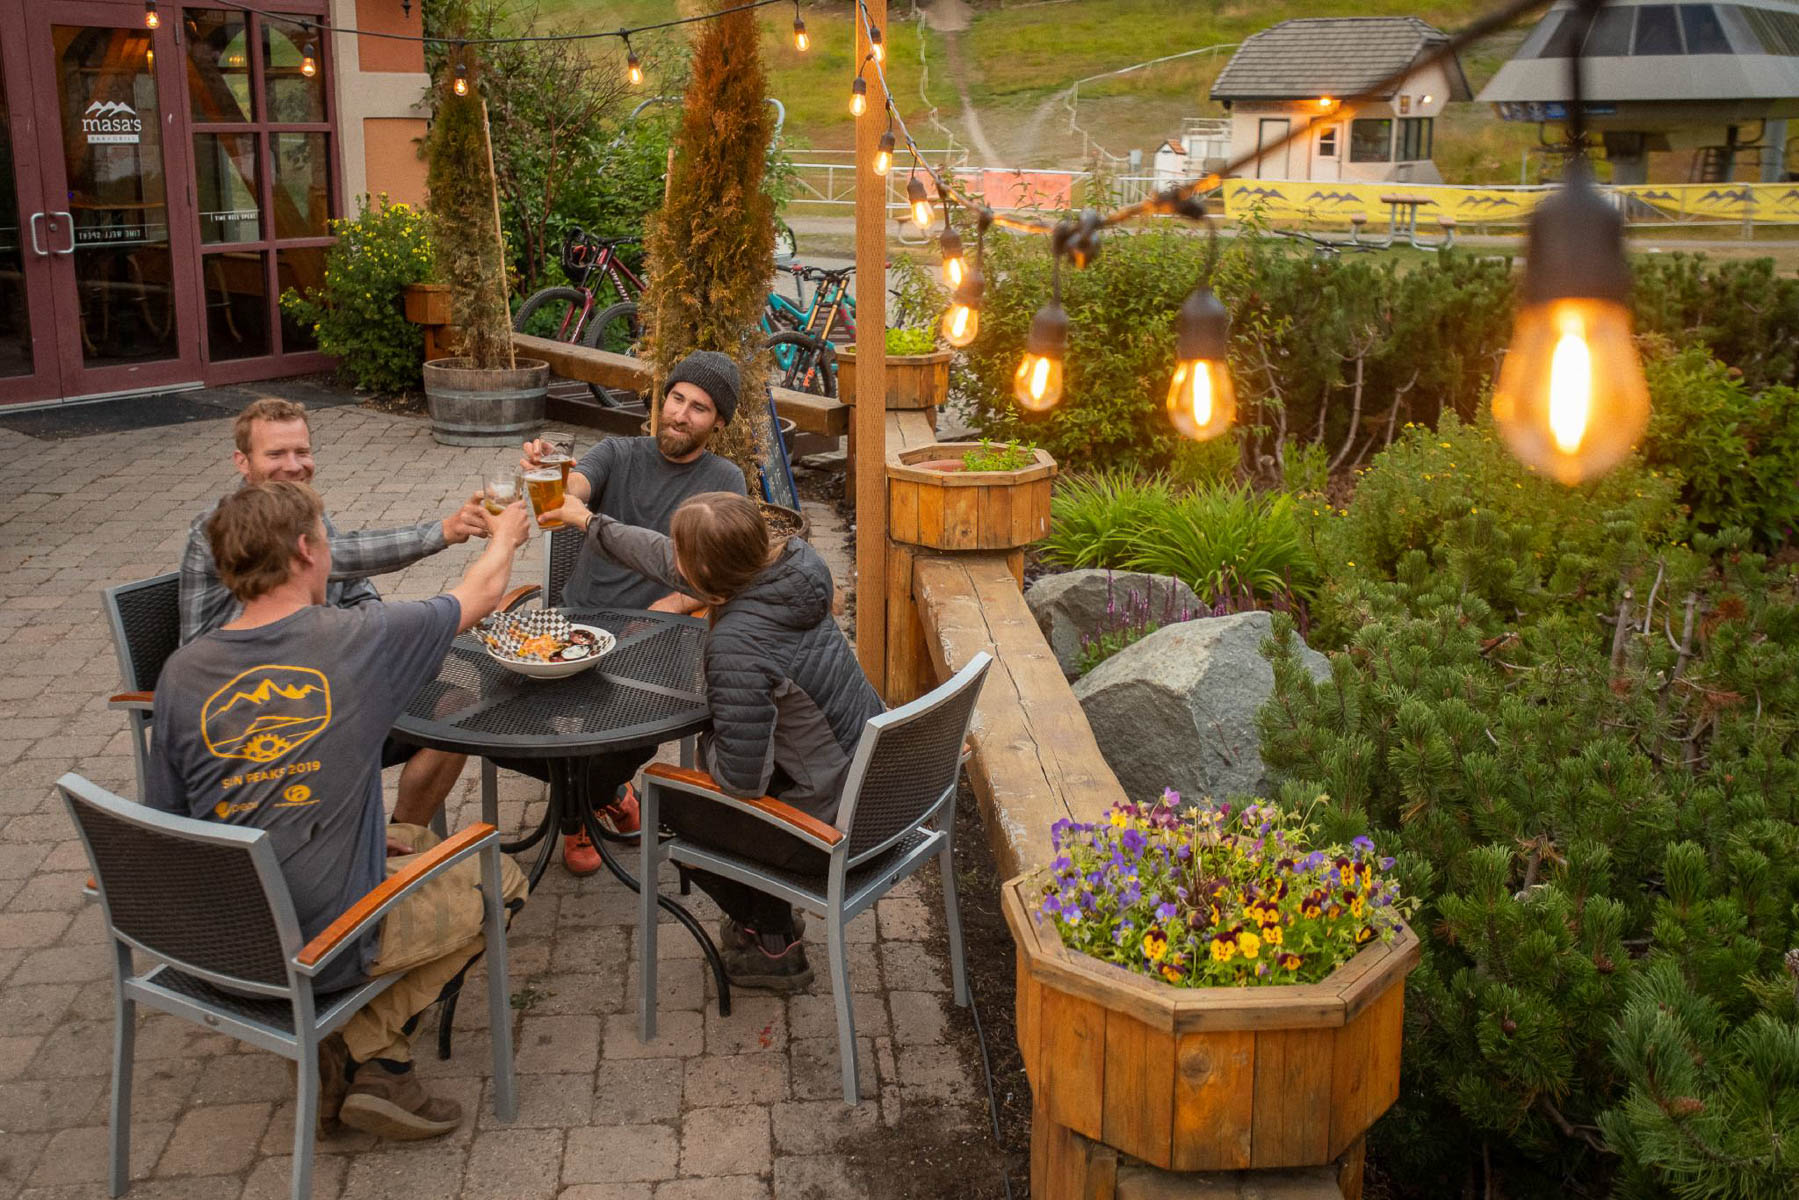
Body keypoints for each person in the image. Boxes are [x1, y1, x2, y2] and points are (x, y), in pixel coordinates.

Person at [147, 480, 532, 1139]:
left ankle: (332, 1068)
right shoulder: (359, 640)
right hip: (318, 950)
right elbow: (480, 597)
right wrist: (504, 536)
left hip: (211, 948)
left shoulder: (181, 673)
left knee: (404, 836)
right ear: (305, 551)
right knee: (500, 879)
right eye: (328, 541)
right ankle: (373, 1051)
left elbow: (169, 824)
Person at [555, 487, 885, 991]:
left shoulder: (738, 643)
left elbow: (742, 782)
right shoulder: (793, 567)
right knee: (744, 772)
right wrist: (588, 522)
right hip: (872, 788)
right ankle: (769, 924)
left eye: (682, 552)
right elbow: (665, 558)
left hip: (833, 828)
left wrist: (711, 728)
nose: (674, 559)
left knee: (671, 804)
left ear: (706, 574)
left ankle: (773, 946)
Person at [179, 398, 490, 826]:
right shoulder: (217, 528)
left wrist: (382, 647)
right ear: (242, 462)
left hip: (333, 695)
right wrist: (443, 531)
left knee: (457, 709)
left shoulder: (312, 517)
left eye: (301, 452)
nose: (293, 465)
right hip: (252, 719)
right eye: (275, 454)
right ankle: (362, 858)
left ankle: (403, 840)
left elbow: (360, 596)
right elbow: (343, 557)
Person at [504, 350, 748, 875]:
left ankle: (582, 809)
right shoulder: (619, 451)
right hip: (576, 622)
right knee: (506, 719)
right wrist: (552, 469)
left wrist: (673, 603)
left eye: (699, 408)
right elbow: (575, 490)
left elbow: (719, 572)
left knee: (622, 738)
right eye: (676, 398)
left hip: (654, 637)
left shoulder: (725, 480)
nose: (680, 414)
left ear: (718, 423)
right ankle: (605, 795)